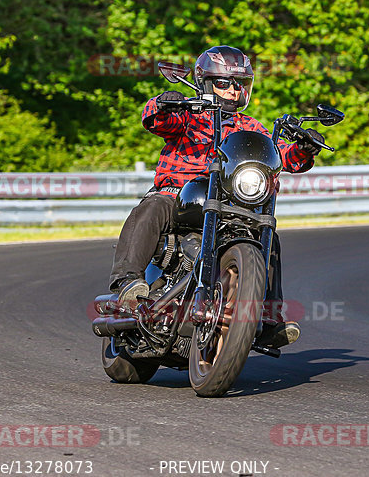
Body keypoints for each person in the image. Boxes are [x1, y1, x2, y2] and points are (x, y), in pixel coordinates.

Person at [108, 45, 324, 348]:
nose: (234, 91)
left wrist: (303, 148)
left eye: (240, 84)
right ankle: (127, 282)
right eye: (225, 83)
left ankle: (266, 317)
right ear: (206, 82)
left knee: (269, 236)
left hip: (229, 203)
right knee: (154, 205)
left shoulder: (251, 127)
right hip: (180, 196)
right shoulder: (190, 115)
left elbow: (280, 158)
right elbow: (156, 120)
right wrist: (164, 104)